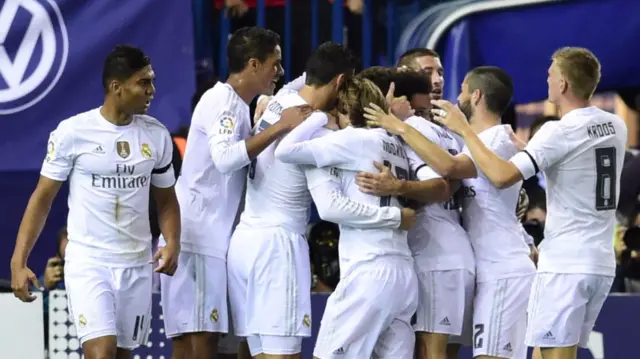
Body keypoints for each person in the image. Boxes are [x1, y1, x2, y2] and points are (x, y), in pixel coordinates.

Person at [430, 47, 627, 359]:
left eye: (550, 76)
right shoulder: (616, 125)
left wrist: (463, 129)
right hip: (599, 262)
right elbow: (570, 159)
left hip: (565, 263)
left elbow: (501, 176)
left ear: (562, 85)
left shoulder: (557, 131)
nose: (546, 81)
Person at [227, 42, 415, 359]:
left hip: (245, 241)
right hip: (279, 249)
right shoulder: (321, 133)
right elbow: (330, 206)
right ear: (341, 82)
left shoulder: (280, 102)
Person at [11, 45, 181, 359]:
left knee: (120, 355)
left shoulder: (157, 136)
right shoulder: (73, 133)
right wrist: (18, 260)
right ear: (117, 88)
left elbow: (167, 201)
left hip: (136, 263)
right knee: (100, 353)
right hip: (90, 262)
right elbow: (42, 199)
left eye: (152, 81)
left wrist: (172, 241)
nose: (152, 90)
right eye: (143, 82)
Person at [365, 66, 537, 359]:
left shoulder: (494, 139)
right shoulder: (477, 141)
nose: (455, 97)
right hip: (487, 267)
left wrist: (399, 125)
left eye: (461, 91)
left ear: (476, 95)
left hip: (503, 270)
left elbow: (449, 169)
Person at [158, 27, 307, 359]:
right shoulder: (222, 103)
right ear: (253, 64)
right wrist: (282, 125)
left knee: (209, 345)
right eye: (276, 64)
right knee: (198, 345)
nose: (280, 73)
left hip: (212, 242)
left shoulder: (238, 105)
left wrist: (311, 77)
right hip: (196, 240)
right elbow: (225, 159)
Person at [275, 77, 418, 358]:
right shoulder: (396, 144)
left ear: (345, 109)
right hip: (403, 274)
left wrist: (316, 118)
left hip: (369, 270)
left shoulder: (354, 139)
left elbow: (285, 151)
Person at [355, 69, 475, 359]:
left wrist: (397, 187)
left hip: (435, 254)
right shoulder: (441, 132)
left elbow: (441, 187)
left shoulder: (412, 129)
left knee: (429, 353)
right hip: (450, 252)